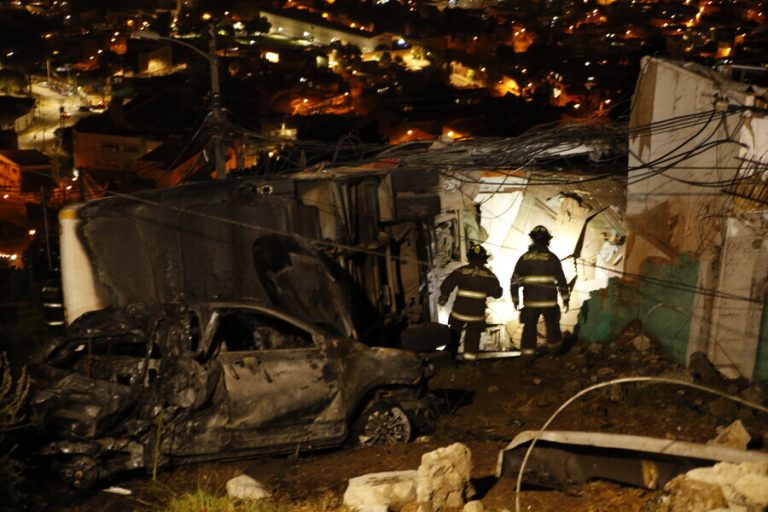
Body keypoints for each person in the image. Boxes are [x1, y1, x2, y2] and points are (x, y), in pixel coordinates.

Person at [510, 225, 570, 357]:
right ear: (547, 240)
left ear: (532, 239)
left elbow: (514, 281)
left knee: (529, 329)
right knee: (553, 328)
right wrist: (565, 299)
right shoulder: (552, 258)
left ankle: (527, 357)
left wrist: (515, 300)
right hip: (549, 302)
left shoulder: (523, 259)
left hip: (530, 302)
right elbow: (562, 281)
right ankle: (555, 354)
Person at [438, 243, 502, 360]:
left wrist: (444, 297)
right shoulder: (489, 275)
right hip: (476, 314)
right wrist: (486, 290)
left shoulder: (461, 271)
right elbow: (497, 294)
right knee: (472, 336)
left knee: (454, 333)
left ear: (470, 257)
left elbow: (446, 285)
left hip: (459, 311)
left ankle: (449, 359)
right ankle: (469, 362)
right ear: (484, 258)